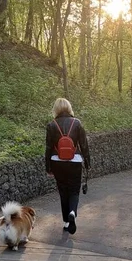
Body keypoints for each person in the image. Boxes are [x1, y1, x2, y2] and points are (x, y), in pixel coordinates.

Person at [45, 98, 90, 235]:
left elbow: (48, 148)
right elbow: (84, 145)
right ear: (69, 108)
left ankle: (66, 222)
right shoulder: (77, 123)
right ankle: (72, 212)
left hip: (56, 161)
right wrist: (87, 163)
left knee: (63, 191)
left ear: (56, 109)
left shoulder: (51, 125)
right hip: (74, 161)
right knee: (74, 191)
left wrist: (48, 167)